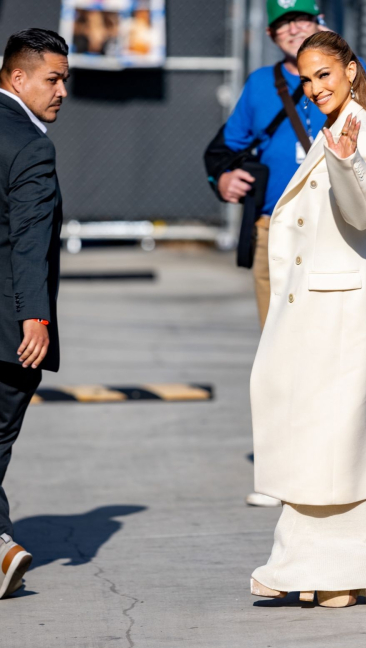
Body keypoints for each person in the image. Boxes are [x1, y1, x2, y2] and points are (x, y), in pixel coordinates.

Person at [249, 31, 366, 608]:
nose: (315, 86)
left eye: (325, 73)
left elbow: (362, 205)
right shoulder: (342, 124)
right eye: (306, 78)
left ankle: (327, 570)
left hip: (340, 312)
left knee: (329, 440)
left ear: (350, 70)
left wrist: (347, 164)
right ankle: (330, 576)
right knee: (323, 442)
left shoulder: (359, 129)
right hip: (328, 306)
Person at [205, 0, 366, 508]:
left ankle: (333, 465)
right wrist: (223, 178)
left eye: (301, 19)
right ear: (271, 34)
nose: (292, 29)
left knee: (329, 354)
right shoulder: (261, 85)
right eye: (282, 24)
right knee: (277, 352)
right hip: (274, 230)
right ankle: (281, 471)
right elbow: (225, 147)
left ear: (321, 22)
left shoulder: (349, 75)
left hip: (333, 233)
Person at [0, 28, 68, 599]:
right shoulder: (30, 145)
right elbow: (28, 240)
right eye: (53, 78)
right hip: (8, 328)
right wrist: (36, 319)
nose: (62, 89)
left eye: (65, 78)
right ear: (17, 78)